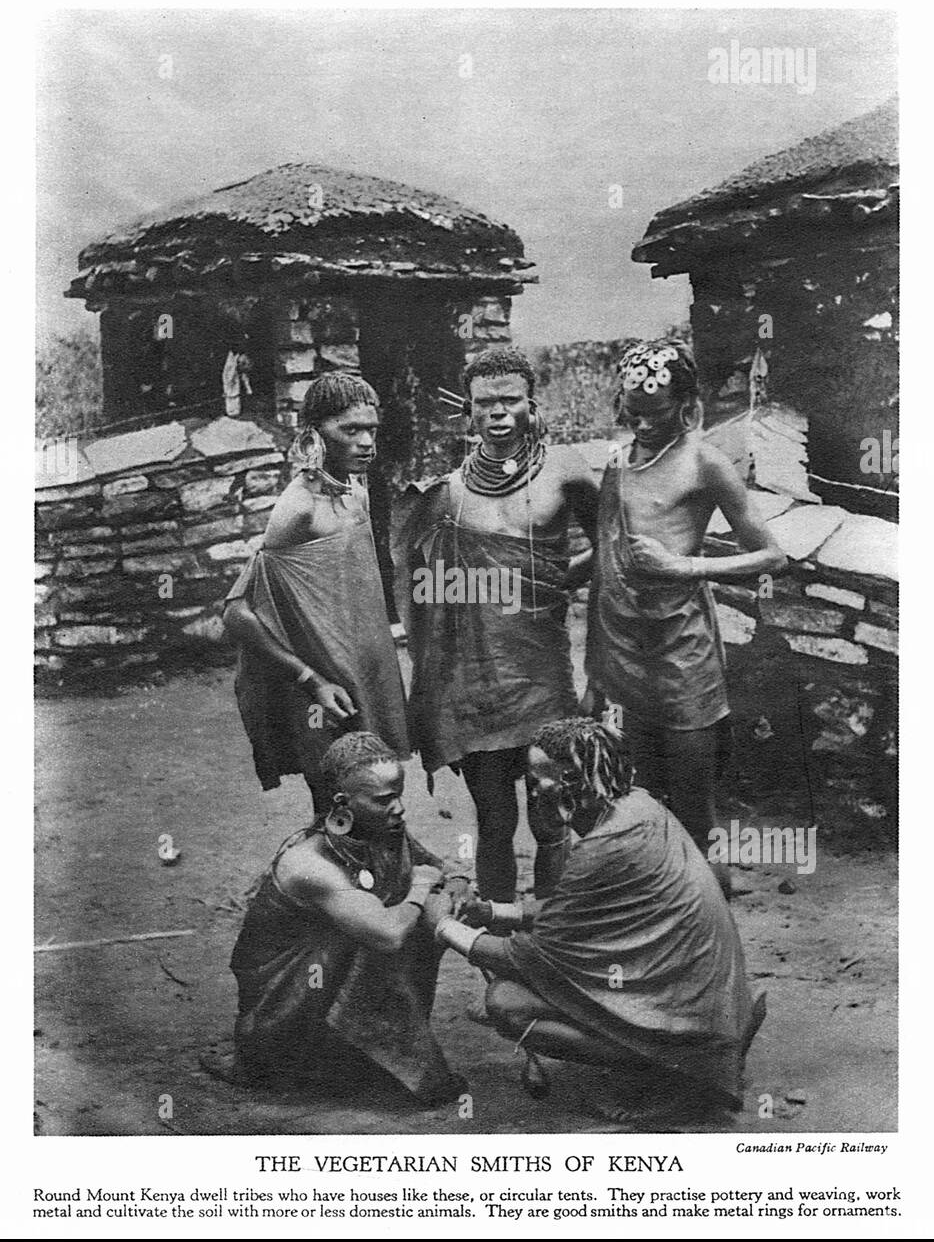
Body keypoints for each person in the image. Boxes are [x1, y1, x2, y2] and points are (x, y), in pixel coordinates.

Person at [435, 717, 765, 1116]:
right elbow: (574, 913)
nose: (533, 790)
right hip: (705, 998)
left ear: (573, 779)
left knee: (506, 1002)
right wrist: (492, 912)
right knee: (519, 993)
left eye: (539, 779)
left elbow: (534, 955)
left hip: (690, 1009)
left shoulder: (602, 848)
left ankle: (680, 1076)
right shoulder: (639, 808)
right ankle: (685, 1054)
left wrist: (443, 926)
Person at [393, 345, 599, 905]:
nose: (498, 413)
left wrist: (558, 581)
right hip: (476, 684)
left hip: (542, 672)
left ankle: (552, 934)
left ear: (532, 404)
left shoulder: (567, 469)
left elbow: (614, 547)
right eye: (485, 404)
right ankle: (503, 932)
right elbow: (418, 587)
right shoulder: (450, 494)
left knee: (551, 809)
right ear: (469, 412)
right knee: (494, 820)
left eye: (510, 400)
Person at [585, 338, 786, 864]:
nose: (643, 426)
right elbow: (611, 555)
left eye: (656, 414)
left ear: (687, 405)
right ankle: (662, 909)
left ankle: (712, 916)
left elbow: (771, 557)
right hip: (623, 648)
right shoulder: (617, 461)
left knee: (695, 807)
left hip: (680, 651)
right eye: (632, 415)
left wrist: (685, 568)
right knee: (640, 800)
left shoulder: (705, 462)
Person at [204, 732, 465, 1107]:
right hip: (281, 1012)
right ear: (343, 803)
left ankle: (355, 1056)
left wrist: (454, 885)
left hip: (327, 985)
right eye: (384, 799)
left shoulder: (381, 830)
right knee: (391, 929)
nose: (399, 809)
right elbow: (389, 933)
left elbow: (441, 869)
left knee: (414, 920)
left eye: (400, 795)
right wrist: (422, 890)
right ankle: (300, 1061)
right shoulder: (308, 865)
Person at [224, 373, 409, 803]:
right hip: (322, 686)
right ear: (315, 434)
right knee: (335, 799)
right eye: (350, 430)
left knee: (373, 790)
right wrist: (311, 680)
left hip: (361, 675)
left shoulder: (355, 492)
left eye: (371, 430)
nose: (366, 442)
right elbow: (237, 613)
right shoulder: (298, 507)